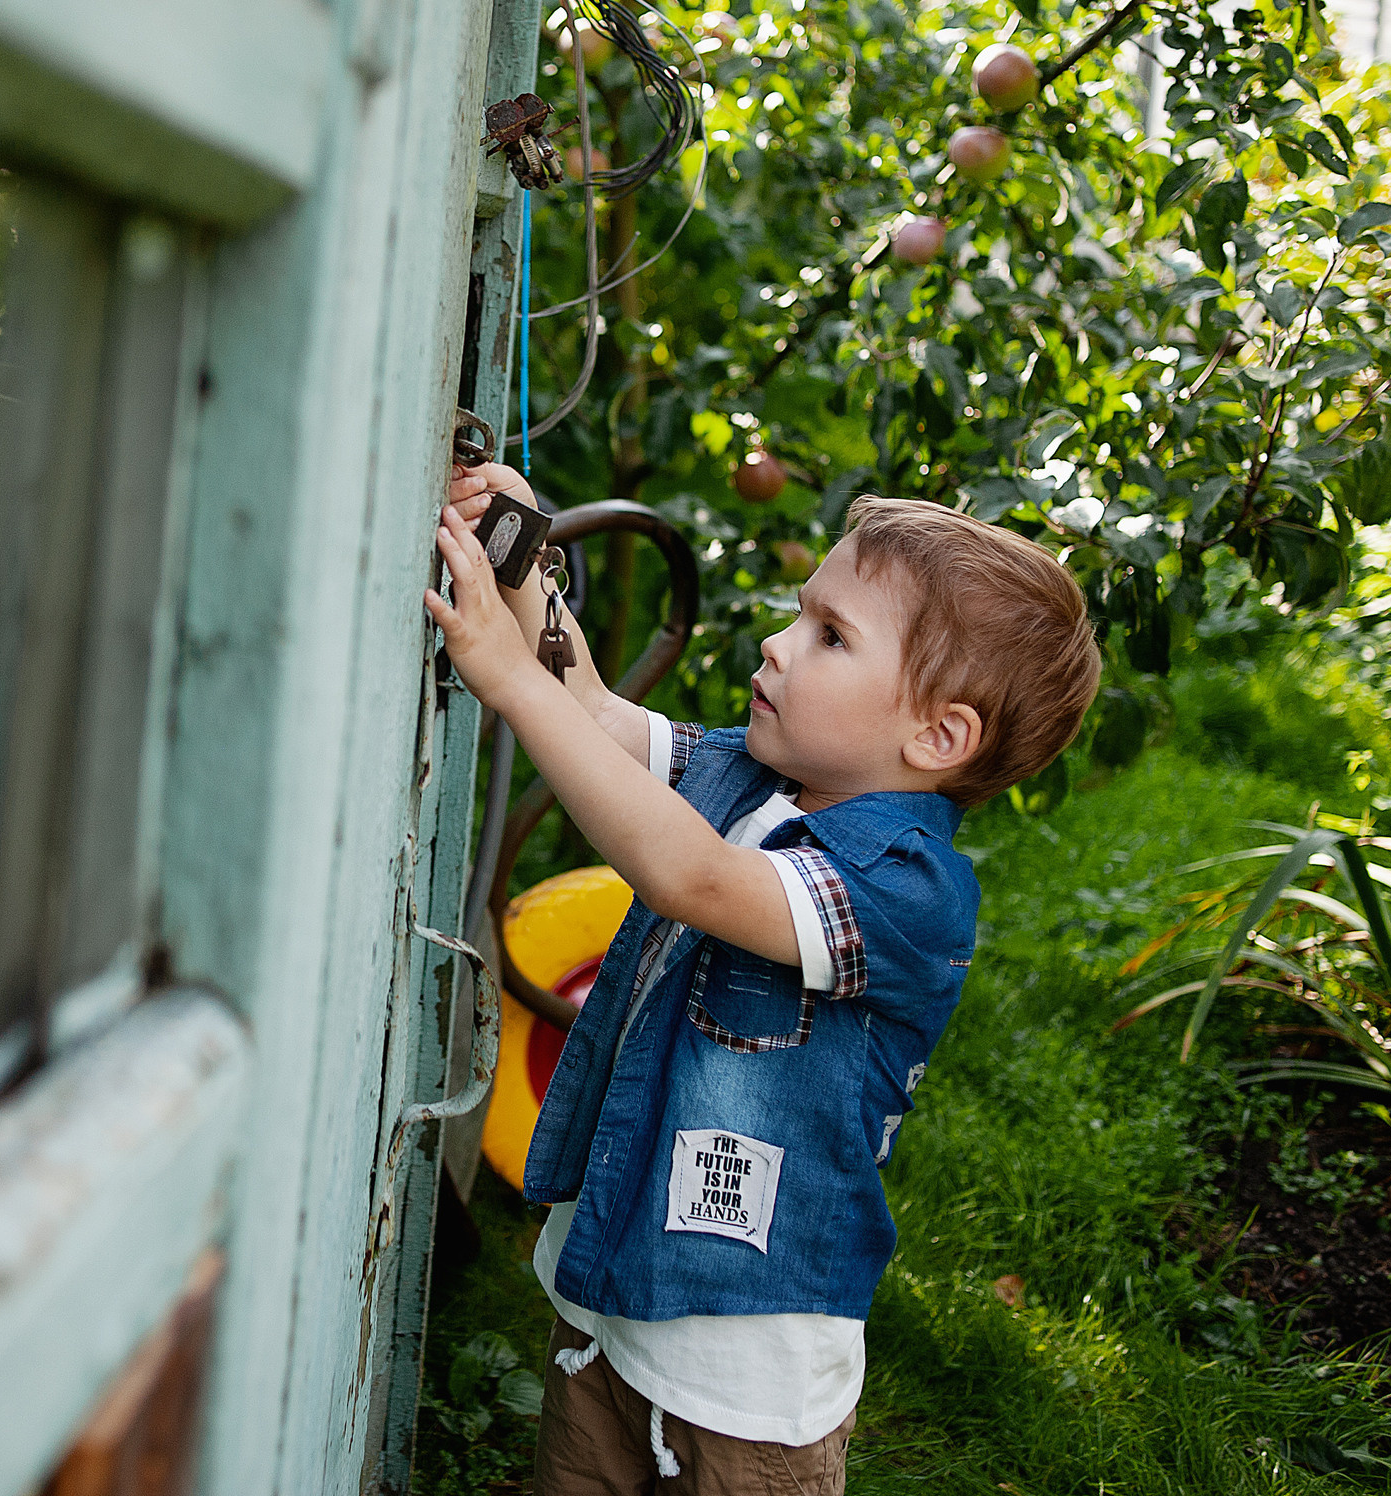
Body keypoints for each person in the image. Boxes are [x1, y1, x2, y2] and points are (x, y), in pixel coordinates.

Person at [426, 465, 1099, 1495]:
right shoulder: (749, 772)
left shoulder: (903, 891)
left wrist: (508, 681)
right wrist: (522, 563)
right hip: (607, 1311)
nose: (778, 645)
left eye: (830, 636)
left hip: (746, 1375)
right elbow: (593, 712)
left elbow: (692, 876)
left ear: (937, 736)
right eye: (799, 614)